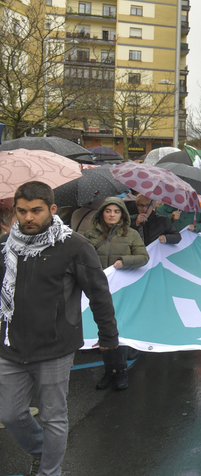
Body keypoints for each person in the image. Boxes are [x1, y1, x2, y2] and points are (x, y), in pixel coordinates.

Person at [0, 181, 119, 476]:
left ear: (52, 210)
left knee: (54, 416)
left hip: (55, 347)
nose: (28, 217)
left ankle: (50, 471)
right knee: (10, 414)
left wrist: (109, 337)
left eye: (36, 211)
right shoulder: (5, 247)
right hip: (11, 347)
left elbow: (98, 293)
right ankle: (43, 452)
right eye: (22, 211)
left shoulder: (74, 246)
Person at [85, 197, 149, 391]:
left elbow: (144, 257)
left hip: (123, 292)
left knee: (119, 330)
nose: (112, 215)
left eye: (116, 211)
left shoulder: (131, 234)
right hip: (98, 291)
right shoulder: (90, 235)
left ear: (122, 214)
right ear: (101, 213)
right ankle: (108, 370)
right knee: (104, 331)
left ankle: (120, 371)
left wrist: (124, 261)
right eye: (108, 211)